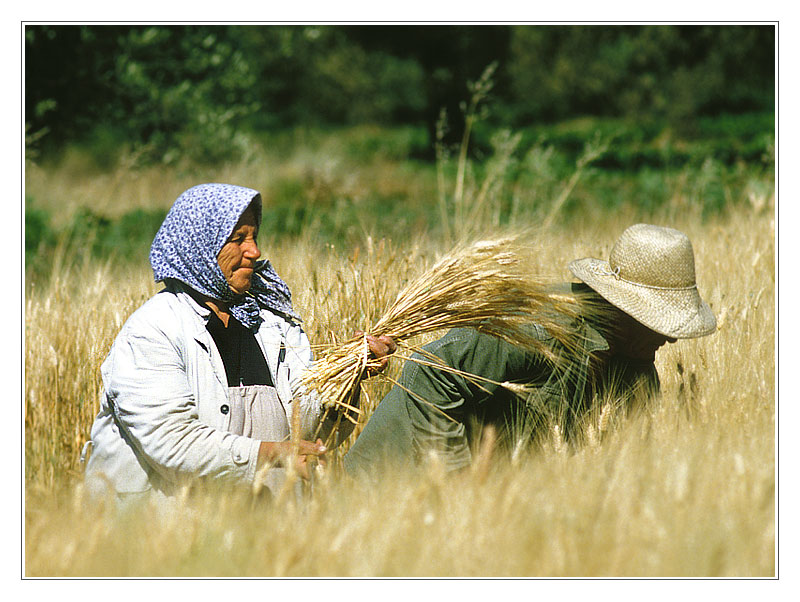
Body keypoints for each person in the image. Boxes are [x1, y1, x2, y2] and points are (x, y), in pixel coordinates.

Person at [83, 183, 393, 504]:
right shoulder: (153, 330)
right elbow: (172, 442)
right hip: (163, 535)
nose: (255, 251)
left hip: (267, 533)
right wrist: (271, 453)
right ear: (198, 246)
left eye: (254, 237)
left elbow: (311, 432)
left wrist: (348, 375)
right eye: (238, 239)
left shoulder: (273, 324)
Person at [343, 223, 716, 477]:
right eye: (661, 324)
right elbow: (434, 368)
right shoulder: (539, 327)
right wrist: (459, 483)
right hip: (387, 484)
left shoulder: (636, 372)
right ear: (625, 311)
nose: (671, 339)